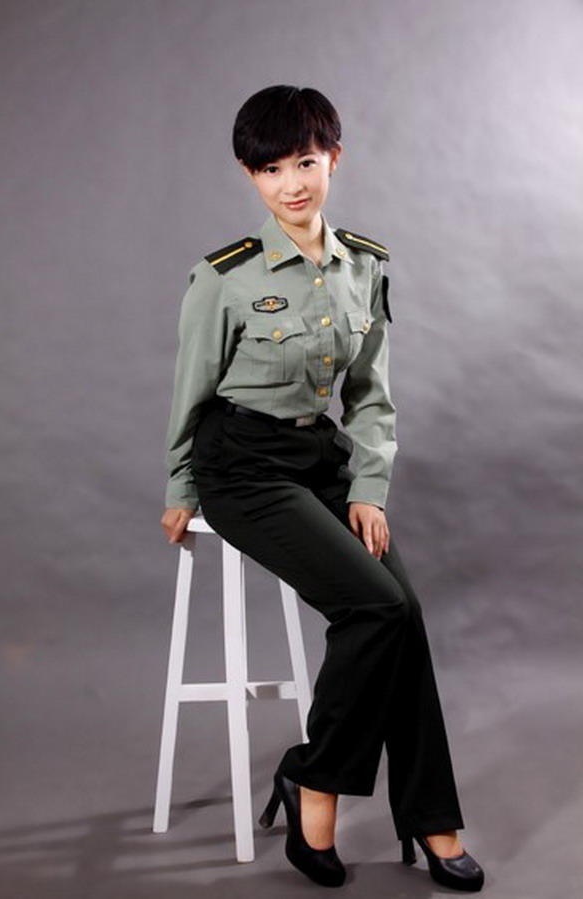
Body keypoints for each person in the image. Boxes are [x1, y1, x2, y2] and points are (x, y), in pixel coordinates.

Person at [161, 85, 484, 891]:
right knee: (377, 608)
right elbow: (189, 393)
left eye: (305, 162)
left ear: (334, 158)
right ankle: (317, 784)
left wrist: (368, 486)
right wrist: (180, 486)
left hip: (320, 458)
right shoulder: (225, 276)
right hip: (240, 464)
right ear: (251, 176)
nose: (292, 183)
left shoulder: (364, 266)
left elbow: (371, 395)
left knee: (402, 614)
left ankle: (430, 816)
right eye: (271, 169)